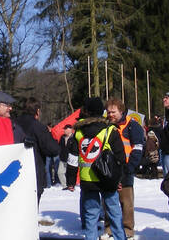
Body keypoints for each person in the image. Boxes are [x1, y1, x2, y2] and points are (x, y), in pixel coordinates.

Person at [67, 97, 127, 240]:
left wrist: (70, 180)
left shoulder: (78, 132)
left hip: (87, 181)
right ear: (102, 111)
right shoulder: (110, 130)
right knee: (115, 214)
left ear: (86, 112)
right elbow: (120, 158)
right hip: (108, 179)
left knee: (91, 217)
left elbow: (72, 159)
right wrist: (120, 179)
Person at [106, 98, 144, 240]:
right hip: (109, 170)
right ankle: (109, 228)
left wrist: (130, 167)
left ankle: (128, 229)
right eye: (108, 112)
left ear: (121, 111)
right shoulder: (107, 126)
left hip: (126, 169)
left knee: (126, 202)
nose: (110, 115)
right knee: (108, 200)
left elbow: (138, 147)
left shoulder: (132, 126)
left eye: (113, 112)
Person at [15, 97, 60, 204]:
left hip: (13, 172)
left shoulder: (12, 124)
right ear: (37, 111)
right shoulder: (38, 127)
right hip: (33, 173)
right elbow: (53, 149)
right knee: (31, 209)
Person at [57, 124, 74, 189]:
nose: (64, 131)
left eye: (65, 129)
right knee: (60, 172)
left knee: (70, 173)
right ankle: (65, 186)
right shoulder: (62, 137)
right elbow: (59, 146)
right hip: (63, 158)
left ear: (69, 129)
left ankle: (71, 185)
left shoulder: (74, 137)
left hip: (71, 159)